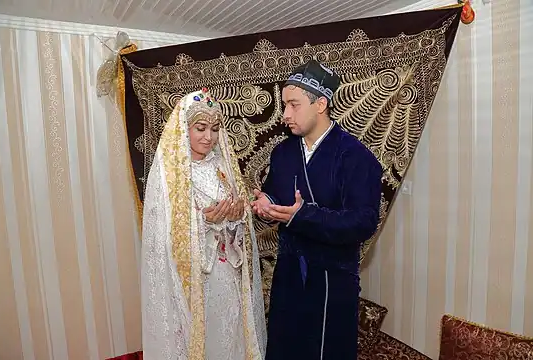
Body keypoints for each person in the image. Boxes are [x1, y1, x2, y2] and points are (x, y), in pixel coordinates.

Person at [251, 60, 382, 360]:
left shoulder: (355, 157)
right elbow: (276, 191)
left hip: (331, 280)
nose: (285, 115)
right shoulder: (283, 152)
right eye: (284, 105)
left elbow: (364, 222)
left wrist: (303, 215)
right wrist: (266, 203)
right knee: (284, 348)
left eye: (294, 105)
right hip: (288, 273)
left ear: (320, 103)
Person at [141, 88, 266, 360]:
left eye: (214, 128)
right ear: (185, 129)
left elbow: (240, 224)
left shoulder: (223, 167)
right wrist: (203, 221)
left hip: (226, 276)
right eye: (200, 128)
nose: (208, 137)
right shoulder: (170, 173)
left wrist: (236, 219)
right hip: (196, 281)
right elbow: (162, 232)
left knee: (230, 337)